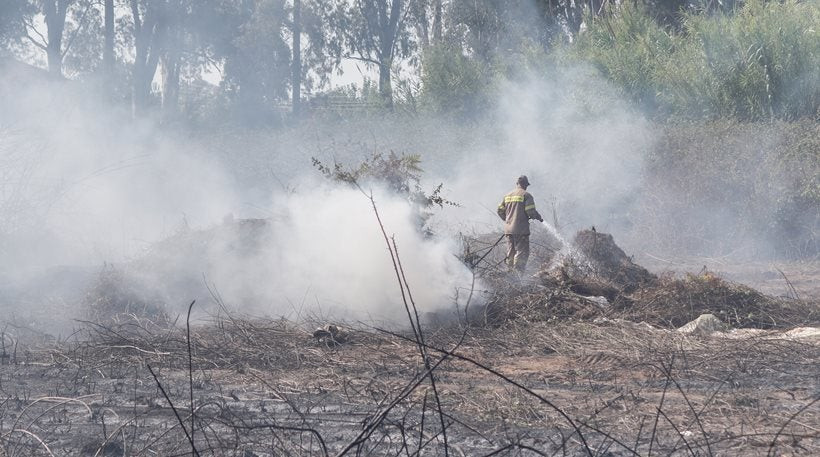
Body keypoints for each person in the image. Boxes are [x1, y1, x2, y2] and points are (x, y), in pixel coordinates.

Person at [497, 175, 543, 272]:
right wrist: (538, 217)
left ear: (517, 184)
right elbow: (530, 212)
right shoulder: (526, 195)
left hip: (508, 230)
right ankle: (518, 274)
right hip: (521, 229)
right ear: (525, 185)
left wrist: (508, 220)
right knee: (522, 252)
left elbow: (500, 210)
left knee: (511, 252)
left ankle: (509, 272)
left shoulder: (507, 195)